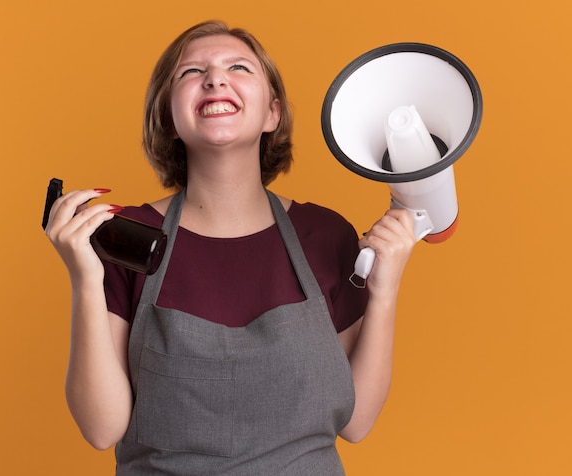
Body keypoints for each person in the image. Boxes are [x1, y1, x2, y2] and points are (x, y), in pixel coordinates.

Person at [45, 20, 416, 475]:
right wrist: (84, 277)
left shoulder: (325, 234)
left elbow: (356, 422)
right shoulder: (129, 238)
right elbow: (102, 429)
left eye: (238, 67)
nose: (215, 78)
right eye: (190, 72)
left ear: (272, 113)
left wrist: (386, 290)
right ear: (169, 118)